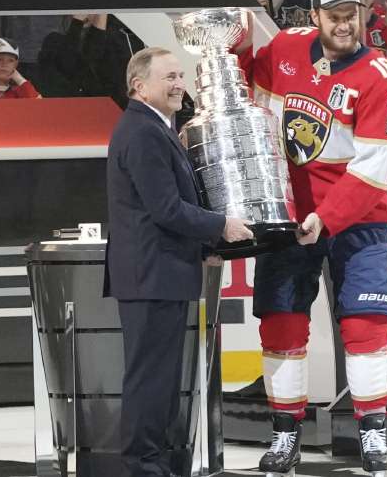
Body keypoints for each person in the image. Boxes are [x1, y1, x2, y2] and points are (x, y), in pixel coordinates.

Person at [235, 0, 387, 476]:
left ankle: (373, 432)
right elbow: (249, 96)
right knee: (281, 321)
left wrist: (326, 218)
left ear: (363, 15)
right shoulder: (285, 48)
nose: (344, 22)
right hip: (286, 217)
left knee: (365, 326)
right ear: (315, 17)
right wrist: (235, 45)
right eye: (334, 14)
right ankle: (285, 436)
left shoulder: (383, 78)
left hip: (358, 221)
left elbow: (374, 171)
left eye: (351, 13)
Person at [104, 47, 253, 477]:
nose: (179, 84)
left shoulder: (154, 127)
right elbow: (167, 209)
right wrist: (220, 226)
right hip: (151, 275)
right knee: (152, 379)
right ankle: (145, 466)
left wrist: (203, 245)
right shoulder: (144, 132)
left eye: (180, 76)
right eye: (169, 77)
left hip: (161, 274)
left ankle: (160, 463)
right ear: (139, 86)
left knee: (162, 380)